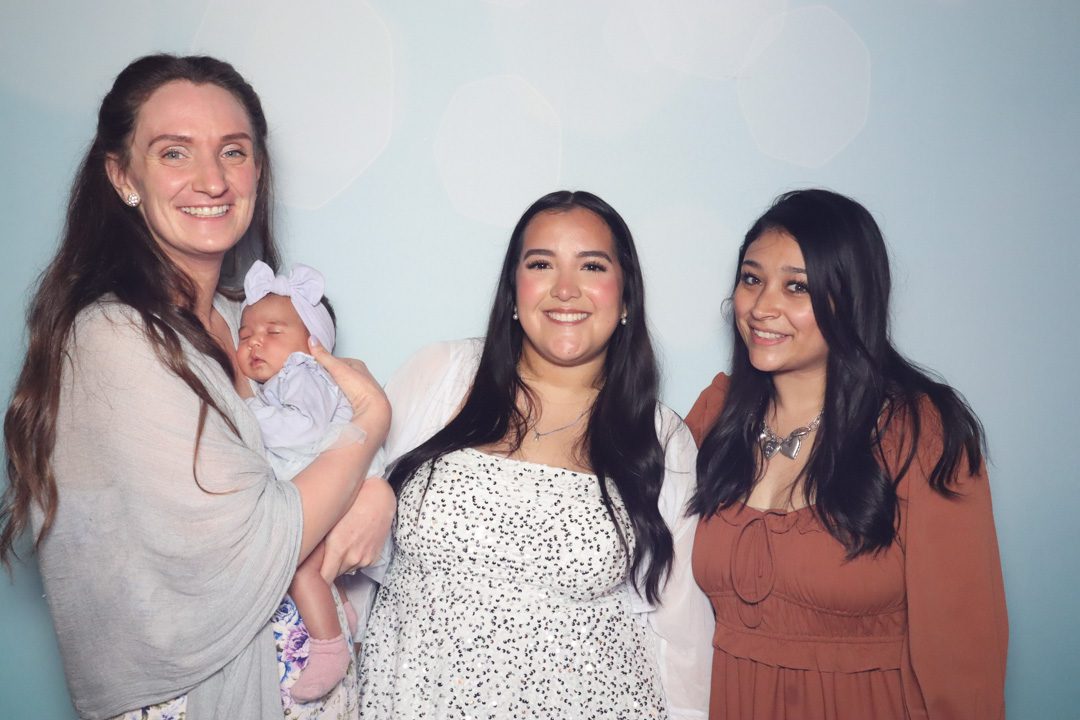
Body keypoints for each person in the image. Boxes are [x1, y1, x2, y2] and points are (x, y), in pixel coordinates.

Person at [0, 54, 394, 720]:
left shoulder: (248, 325)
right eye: (174, 153)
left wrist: (377, 491)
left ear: (257, 171)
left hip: (308, 691)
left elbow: (320, 432)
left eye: (232, 151)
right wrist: (372, 424)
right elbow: (257, 541)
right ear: (122, 176)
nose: (212, 180)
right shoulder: (113, 337)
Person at [358, 190, 713, 719]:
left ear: (626, 298)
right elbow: (351, 557)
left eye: (592, 266)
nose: (565, 289)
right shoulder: (440, 375)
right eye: (541, 264)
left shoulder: (659, 436)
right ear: (513, 290)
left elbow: (680, 630)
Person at [686, 189, 1008, 719]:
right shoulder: (713, 418)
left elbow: (964, 651)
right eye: (751, 279)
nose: (762, 307)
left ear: (851, 298)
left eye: (797, 286)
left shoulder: (920, 432)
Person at [237, 260, 386, 703]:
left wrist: (246, 411)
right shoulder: (280, 381)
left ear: (312, 343)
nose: (255, 342)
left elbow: (302, 429)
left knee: (300, 566)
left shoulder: (304, 373)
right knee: (316, 566)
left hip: (342, 489)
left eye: (273, 332)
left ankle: (329, 647)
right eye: (245, 335)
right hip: (328, 484)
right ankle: (341, 613)